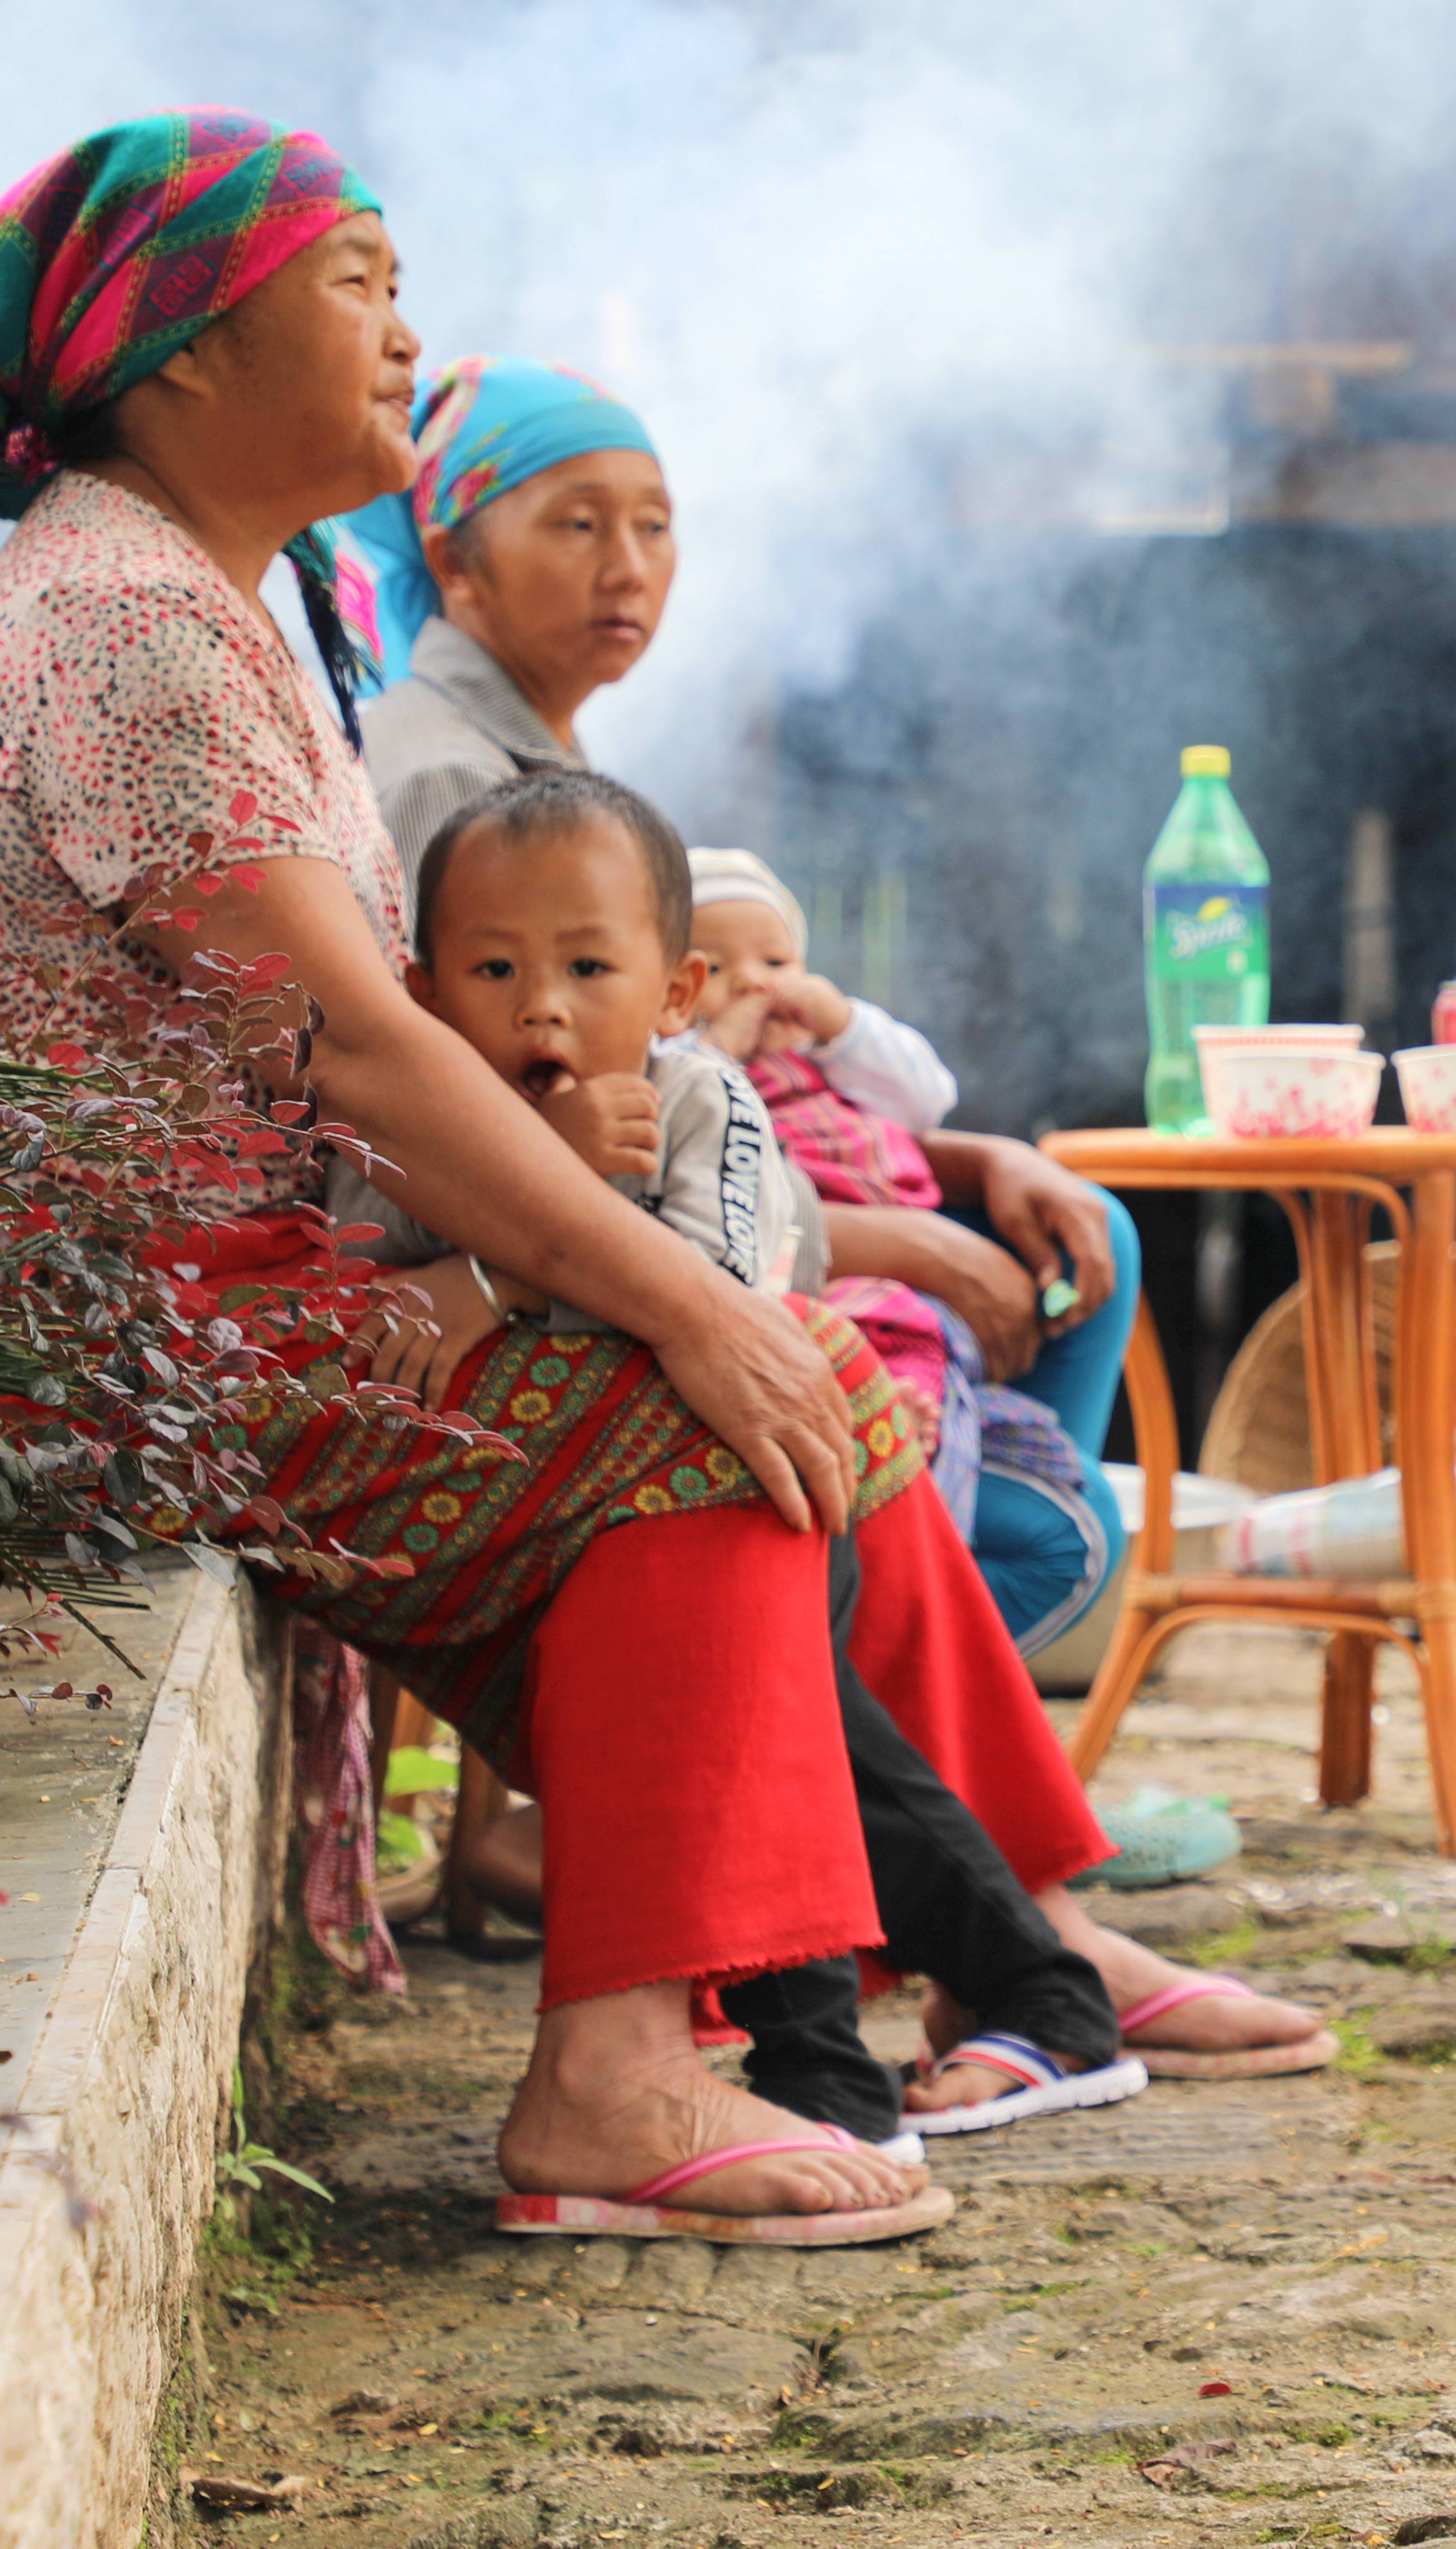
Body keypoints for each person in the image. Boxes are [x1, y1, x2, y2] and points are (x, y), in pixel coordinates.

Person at [0, 114, 1309, 2232]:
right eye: (356, 284)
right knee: (705, 1404)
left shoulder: (205, 595)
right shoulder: (128, 621)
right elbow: (353, 1044)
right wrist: (680, 1295)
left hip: (223, 1299)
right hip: (84, 1345)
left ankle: (1020, 1931)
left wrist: (694, 1296)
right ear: (177, 361)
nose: (408, 327)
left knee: (793, 1386)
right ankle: (622, 2074)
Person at [345, 769, 1159, 2141]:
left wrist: (500, 1267)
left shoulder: (698, 1096)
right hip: (587, 1478)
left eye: (588, 967)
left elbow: (718, 1282)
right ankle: (972, 2014)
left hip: (740, 1455)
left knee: (783, 1708)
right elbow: (370, 1256)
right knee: (803, 1726)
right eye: (494, 968)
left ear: (676, 991)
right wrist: (515, 1175)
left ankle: (875, 2047)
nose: (541, 1005)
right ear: (424, 991)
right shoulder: (426, 1105)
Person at [684, 843, 1140, 1659]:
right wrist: (718, 1043)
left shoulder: (825, 1058)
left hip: (899, 1267)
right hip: (820, 1283)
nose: (755, 983)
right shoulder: (696, 1074)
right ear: (673, 991)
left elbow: (925, 1098)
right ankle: (908, 1465)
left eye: (776, 960)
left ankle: (937, 1456)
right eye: (717, 968)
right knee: (879, 1334)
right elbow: (702, 1153)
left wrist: (842, 1023)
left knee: (1086, 1235)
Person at [334, 354, 666, 874]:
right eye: (580, 524)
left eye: (653, 526)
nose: (631, 571)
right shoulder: (449, 779)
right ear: (455, 561)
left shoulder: (527, 753)